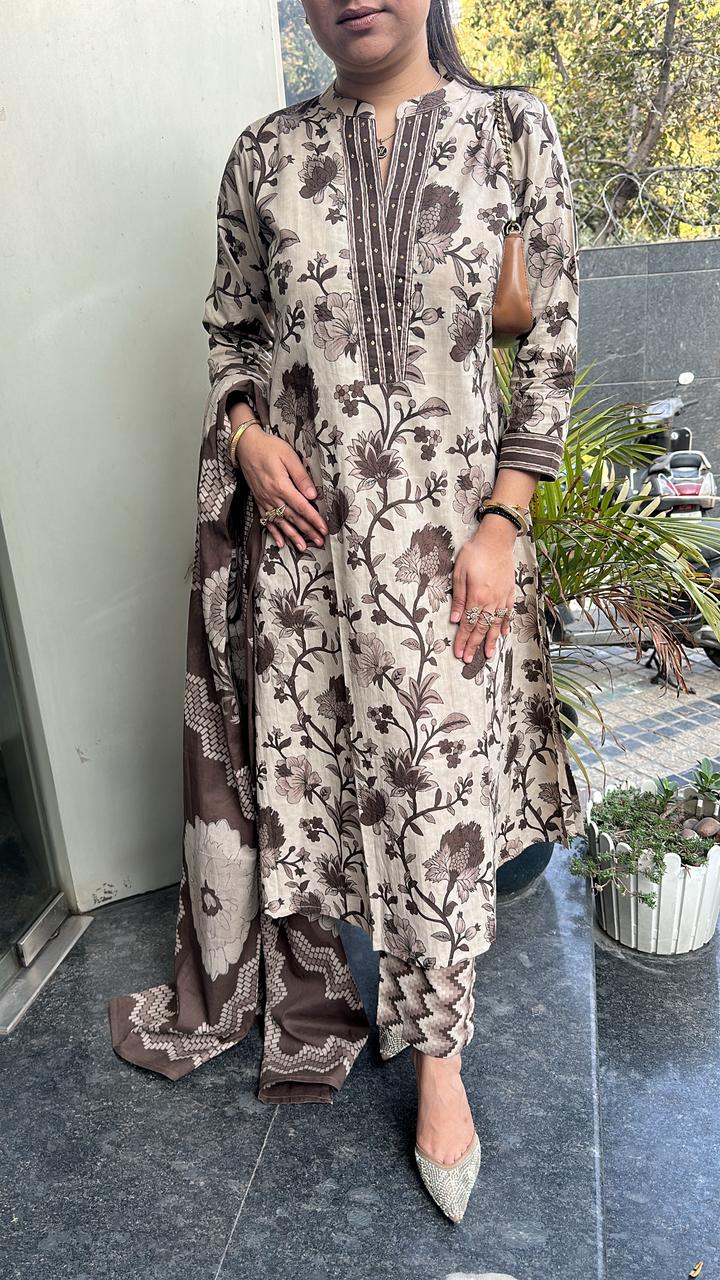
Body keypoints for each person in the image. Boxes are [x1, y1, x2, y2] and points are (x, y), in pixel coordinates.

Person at [108, 0, 584, 1225]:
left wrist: (504, 521)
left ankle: (441, 1065)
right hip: (307, 555)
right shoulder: (263, 155)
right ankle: (342, 990)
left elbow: (551, 343)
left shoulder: (510, 129)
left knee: (438, 808)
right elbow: (231, 329)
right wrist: (246, 435)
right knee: (326, 796)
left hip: (452, 557)